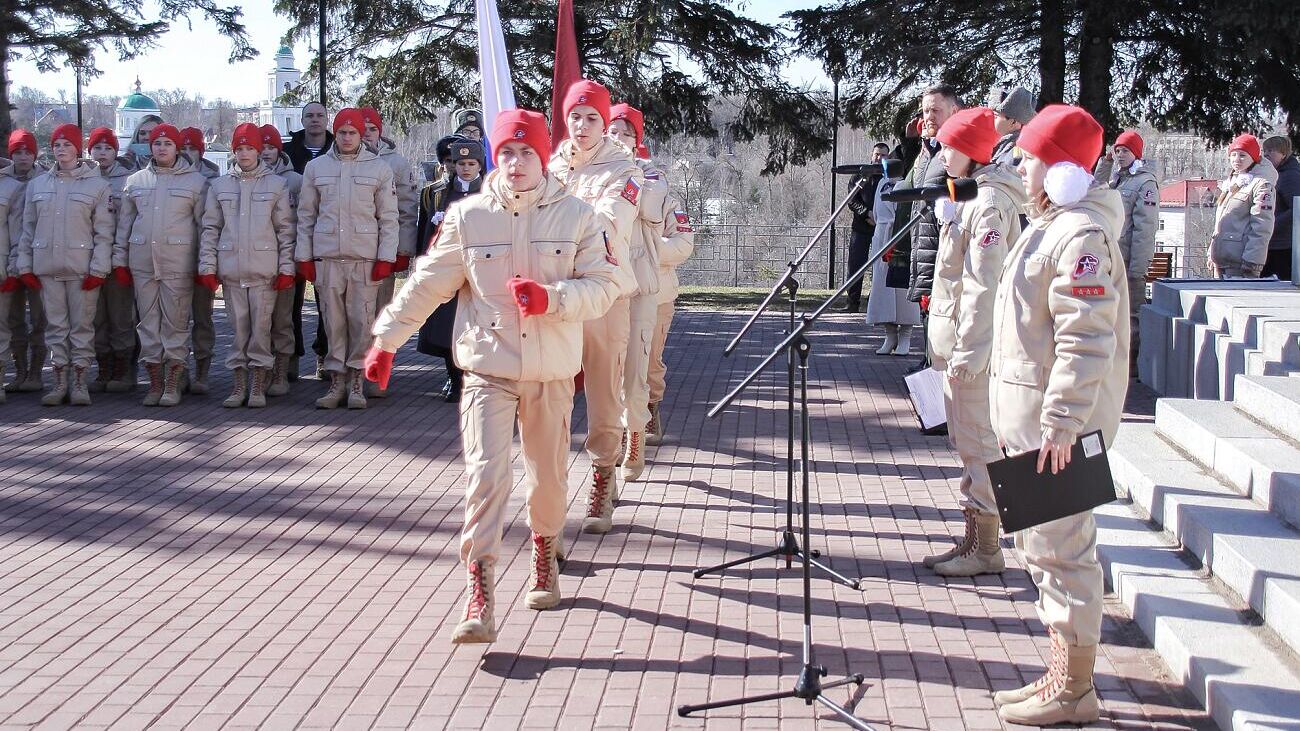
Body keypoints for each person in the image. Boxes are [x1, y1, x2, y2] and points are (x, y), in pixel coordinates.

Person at [365, 109, 622, 643]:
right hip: (487, 367)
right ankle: (479, 592)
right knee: (485, 476)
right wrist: (386, 341)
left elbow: (606, 285)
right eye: (506, 152)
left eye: (527, 152)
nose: (516, 162)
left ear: (542, 156)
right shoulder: (469, 217)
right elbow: (427, 283)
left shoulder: (578, 216)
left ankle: (544, 551)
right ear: (492, 157)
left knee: (547, 478)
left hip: (550, 370)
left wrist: (553, 298)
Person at [988, 104, 1128, 725]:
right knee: (1045, 550)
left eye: (1030, 155)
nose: (1018, 163)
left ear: (1062, 169)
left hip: (1056, 428)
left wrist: (1064, 419)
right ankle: (1061, 675)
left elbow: (1086, 337)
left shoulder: (1080, 235)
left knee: (1065, 552)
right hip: (1035, 422)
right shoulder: (1050, 225)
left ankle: (1074, 691)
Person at [923, 108, 1025, 577]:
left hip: (974, 348)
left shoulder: (988, 204)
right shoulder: (968, 196)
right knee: (968, 442)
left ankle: (986, 547)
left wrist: (969, 351)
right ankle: (975, 539)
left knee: (980, 443)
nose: (942, 154)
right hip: (958, 340)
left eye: (949, 146)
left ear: (970, 150)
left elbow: (984, 286)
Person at [548, 79, 643, 534]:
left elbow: (608, 221)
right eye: (575, 117)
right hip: (557, 294)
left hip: (604, 292)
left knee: (605, 392)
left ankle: (604, 475)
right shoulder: (548, 166)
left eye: (592, 118)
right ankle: (552, 489)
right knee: (554, 393)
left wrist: (552, 218)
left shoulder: (625, 169)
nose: (582, 126)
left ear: (605, 123)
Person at [295, 107, 398, 409]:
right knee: (333, 322)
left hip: (364, 260)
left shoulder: (378, 168)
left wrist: (385, 257)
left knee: (361, 321)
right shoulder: (316, 169)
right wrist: (304, 256)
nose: (348, 137)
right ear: (335, 134)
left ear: (360, 135)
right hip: (328, 259)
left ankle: (356, 382)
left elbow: (388, 218)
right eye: (342, 132)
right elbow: (306, 215)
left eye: (353, 132)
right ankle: (336, 381)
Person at [14, 124, 114, 406]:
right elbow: (28, 229)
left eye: (67, 145)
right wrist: (25, 265)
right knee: (55, 327)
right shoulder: (38, 185)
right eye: (57, 145)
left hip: (82, 269)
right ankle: (59, 381)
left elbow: (104, 232)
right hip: (47, 266)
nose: (61, 150)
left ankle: (80, 382)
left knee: (82, 327)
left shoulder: (97, 186)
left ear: (77, 149)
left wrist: (98, 268)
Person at [197, 123, 295, 408]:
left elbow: (285, 231)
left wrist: (286, 267)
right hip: (232, 270)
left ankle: (258, 386)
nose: (244, 154)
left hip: (265, 271)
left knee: (261, 329)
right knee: (239, 329)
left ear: (258, 151)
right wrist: (208, 266)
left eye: (250, 148)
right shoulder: (220, 186)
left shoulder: (276, 185)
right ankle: (239, 385)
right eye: (239, 149)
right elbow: (210, 229)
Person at [114, 123, 208, 406]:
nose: (162, 148)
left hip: (178, 263)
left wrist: (205, 265)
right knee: (147, 323)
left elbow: (206, 227)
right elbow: (124, 225)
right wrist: (120, 260)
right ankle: (155, 380)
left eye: (168, 143)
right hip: (142, 262)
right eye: (157, 143)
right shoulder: (136, 182)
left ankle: (173, 381)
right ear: (150, 147)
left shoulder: (195, 183)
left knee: (176, 323)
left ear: (177, 147)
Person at [608, 103, 668, 482]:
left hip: (641, 283)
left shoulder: (650, 175)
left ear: (637, 141)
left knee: (635, 370)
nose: (618, 139)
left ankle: (633, 435)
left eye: (626, 134)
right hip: (603, 282)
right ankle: (610, 439)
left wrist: (625, 173)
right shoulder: (590, 172)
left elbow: (646, 206)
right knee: (605, 374)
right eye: (612, 132)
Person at [416, 136, 484, 403]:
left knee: (477, 328)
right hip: (448, 272)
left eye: (471, 163)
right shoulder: (437, 194)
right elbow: (424, 234)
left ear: (480, 164)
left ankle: (473, 380)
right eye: (460, 163)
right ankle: (454, 380)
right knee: (447, 328)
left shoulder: (489, 191)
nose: (465, 168)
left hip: (478, 273)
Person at [898, 85, 959, 371]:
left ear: (954, 112)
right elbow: (912, 185)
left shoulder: (957, 151)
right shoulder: (930, 150)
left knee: (939, 306)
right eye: (925, 111)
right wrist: (917, 145)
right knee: (925, 303)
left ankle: (936, 366)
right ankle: (928, 361)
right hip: (922, 238)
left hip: (942, 241)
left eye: (936, 110)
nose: (929, 117)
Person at [359, 107, 418, 399]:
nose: (367, 134)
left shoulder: (396, 163)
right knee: (352, 316)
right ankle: (348, 373)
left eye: (372, 129)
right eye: (363, 128)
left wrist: (402, 249)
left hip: (384, 249)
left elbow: (407, 208)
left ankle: (376, 372)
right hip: (352, 251)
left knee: (380, 314)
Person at [1095, 130, 1159, 365]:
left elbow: (1145, 228)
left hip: (1128, 259)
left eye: (1126, 151)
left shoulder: (1145, 182)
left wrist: (1138, 267)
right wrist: (1106, 161)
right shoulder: (1116, 178)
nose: (1121, 155)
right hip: (1110, 257)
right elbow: (1095, 187)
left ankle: (1131, 363)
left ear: (1137, 154)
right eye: (1118, 150)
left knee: (1131, 314)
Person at [644, 169, 695, 447]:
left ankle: (650, 410)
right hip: (616, 295)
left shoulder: (667, 202)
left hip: (657, 294)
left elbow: (683, 245)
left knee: (651, 359)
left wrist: (644, 249)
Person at [85, 127, 138, 394]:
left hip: (118, 259)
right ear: (89, 151)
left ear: (115, 152)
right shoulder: (83, 179)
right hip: (90, 259)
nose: (102, 153)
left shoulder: (128, 180)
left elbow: (128, 223)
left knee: (121, 317)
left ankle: (124, 368)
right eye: (97, 148)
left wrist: (122, 260)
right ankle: (103, 366)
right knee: (96, 318)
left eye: (107, 148)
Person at [284, 102, 334, 379]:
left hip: (327, 235)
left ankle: (324, 355)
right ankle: (289, 356)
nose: (315, 120)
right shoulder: (288, 152)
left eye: (320, 116)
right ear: (302, 120)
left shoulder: (337, 149)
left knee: (326, 300)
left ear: (327, 120)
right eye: (309, 116)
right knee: (290, 303)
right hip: (293, 235)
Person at [2, 129, 47, 393]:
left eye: (27, 152)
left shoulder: (45, 180)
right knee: (13, 318)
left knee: (40, 319)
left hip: (37, 259)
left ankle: (36, 372)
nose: (22, 157)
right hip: (7, 260)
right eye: (17, 152)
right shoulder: (3, 182)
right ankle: (18, 370)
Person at [260, 124, 303, 397]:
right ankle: (261, 370)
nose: (265, 152)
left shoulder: (295, 181)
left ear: (280, 149)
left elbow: (304, 219)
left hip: (287, 258)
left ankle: (282, 370)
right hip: (256, 259)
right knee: (258, 321)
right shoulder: (246, 179)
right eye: (261, 147)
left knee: (283, 319)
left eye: (270, 147)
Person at [178, 127, 219, 393]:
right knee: (176, 320)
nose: (187, 154)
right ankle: (178, 371)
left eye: (192, 148)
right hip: (174, 260)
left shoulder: (213, 179)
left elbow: (213, 224)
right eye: (184, 149)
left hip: (202, 258)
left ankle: (202, 370)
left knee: (203, 318)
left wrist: (210, 262)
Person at [865, 158, 920, 354]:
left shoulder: (906, 185)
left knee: (902, 288)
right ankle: (890, 335)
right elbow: (877, 213)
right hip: (881, 235)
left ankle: (905, 335)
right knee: (882, 289)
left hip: (900, 236)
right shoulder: (881, 183)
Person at [1209, 134, 1277, 278]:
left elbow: (1262, 226)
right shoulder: (1231, 183)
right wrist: (1212, 251)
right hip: (1221, 260)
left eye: (1242, 155)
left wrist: (1253, 261)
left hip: (1241, 262)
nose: (1236, 160)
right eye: (1233, 155)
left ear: (1253, 157)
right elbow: (1220, 222)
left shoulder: (1261, 185)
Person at [843, 142, 890, 313]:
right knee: (855, 264)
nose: (879, 158)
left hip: (882, 228)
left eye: (883, 155)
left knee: (880, 267)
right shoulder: (860, 175)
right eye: (877, 154)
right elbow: (851, 199)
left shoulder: (889, 178)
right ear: (872, 155)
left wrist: (879, 217)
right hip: (861, 227)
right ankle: (852, 302)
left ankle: (873, 303)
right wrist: (867, 214)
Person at [1262, 136, 1299, 280]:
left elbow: (1296, 208)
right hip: (1273, 242)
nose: (1266, 155)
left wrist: (1272, 223)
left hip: (1284, 244)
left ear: (1283, 153)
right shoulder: (1275, 174)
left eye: (1270, 151)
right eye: (1264, 151)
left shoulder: (1290, 176)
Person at [988, 86, 1035, 167]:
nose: (990, 120)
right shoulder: (1001, 147)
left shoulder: (1018, 153)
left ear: (1013, 122)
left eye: (995, 116)